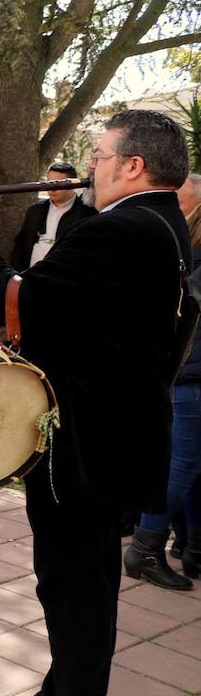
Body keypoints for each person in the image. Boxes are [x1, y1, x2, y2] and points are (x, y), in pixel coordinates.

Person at [0, 110, 192, 696]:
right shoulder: (160, 224)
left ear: (133, 165)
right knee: (86, 580)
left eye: (100, 157)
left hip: (88, 443)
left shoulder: (121, 229)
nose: (91, 170)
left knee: (73, 583)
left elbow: (17, 301)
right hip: (116, 435)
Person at [124, 201, 201, 591]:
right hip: (191, 373)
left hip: (188, 370)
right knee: (184, 463)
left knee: (193, 464)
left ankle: (193, 548)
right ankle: (145, 548)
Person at [10, 162, 96, 271]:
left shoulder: (86, 213)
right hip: (29, 279)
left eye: (58, 184)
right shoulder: (35, 210)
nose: (52, 188)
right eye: (48, 183)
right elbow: (20, 246)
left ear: (73, 185)